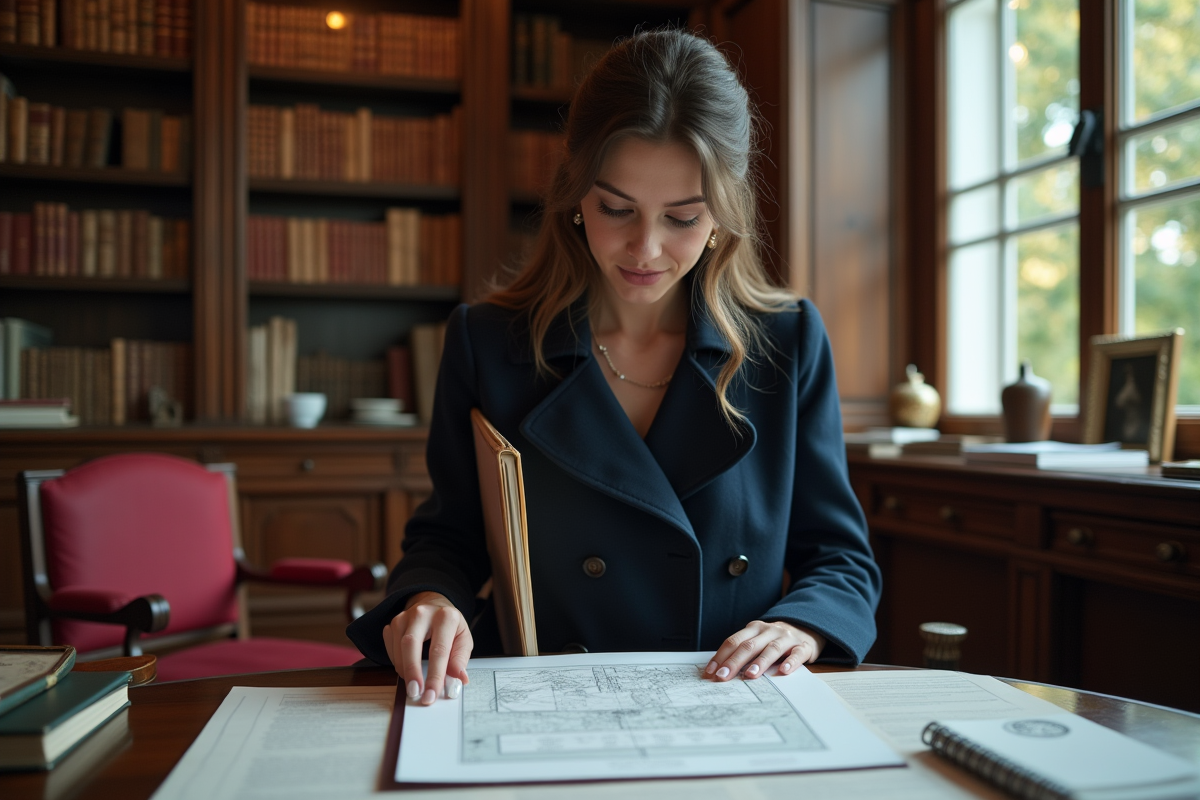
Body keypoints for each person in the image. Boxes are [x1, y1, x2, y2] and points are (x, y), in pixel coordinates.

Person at [347, 29, 880, 706]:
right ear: (576, 193)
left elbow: (839, 557)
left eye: (682, 218)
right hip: (548, 701)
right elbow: (447, 539)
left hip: (728, 701)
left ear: (722, 213)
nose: (645, 248)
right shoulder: (488, 341)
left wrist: (801, 625)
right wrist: (431, 599)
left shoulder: (787, 340)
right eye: (616, 209)